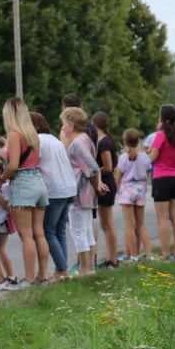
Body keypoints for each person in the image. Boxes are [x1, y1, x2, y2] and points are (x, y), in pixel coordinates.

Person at [0, 97, 48, 285]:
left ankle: (28, 279)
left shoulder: (14, 135)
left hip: (23, 184)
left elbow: (13, 166)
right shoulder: (33, 134)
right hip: (38, 183)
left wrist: (2, 179)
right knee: (39, 234)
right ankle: (42, 276)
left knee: (26, 236)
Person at [60, 107, 106, 275]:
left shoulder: (78, 143)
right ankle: (89, 269)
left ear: (71, 126)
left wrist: (97, 185)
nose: (63, 128)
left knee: (78, 233)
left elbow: (92, 168)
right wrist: (98, 184)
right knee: (86, 232)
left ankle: (85, 270)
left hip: (79, 194)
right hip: (87, 194)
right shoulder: (86, 139)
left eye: (64, 124)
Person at [30, 112, 75, 282]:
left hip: (53, 189)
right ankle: (61, 269)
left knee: (48, 231)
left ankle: (62, 269)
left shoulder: (37, 141)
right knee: (59, 230)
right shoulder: (55, 140)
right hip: (68, 187)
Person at [149, 105, 175, 259]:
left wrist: (150, 150)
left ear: (161, 118)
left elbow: (153, 157)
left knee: (163, 217)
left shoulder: (160, 135)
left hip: (161, 177)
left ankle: (165, 253)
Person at [116, 129, 154, 260]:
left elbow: (119, 176)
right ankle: (149, 254)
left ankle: (133, 255)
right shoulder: (145, 156)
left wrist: (117, 190)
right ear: (139, 141)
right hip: (140, 189)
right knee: (140, 224)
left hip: (127, 190)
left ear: (124, 143)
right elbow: (148, 172)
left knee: (129, 226)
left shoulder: (122, 158)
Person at [91, 112, 119, 268]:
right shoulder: (103, 141)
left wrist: (92, 173)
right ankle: (111, 259)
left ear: (94, 124)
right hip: (104, 183)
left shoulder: (104, 143)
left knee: (107, 224)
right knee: (105, 224)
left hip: (106, 183)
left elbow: (108, 166)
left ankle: (112, 260)